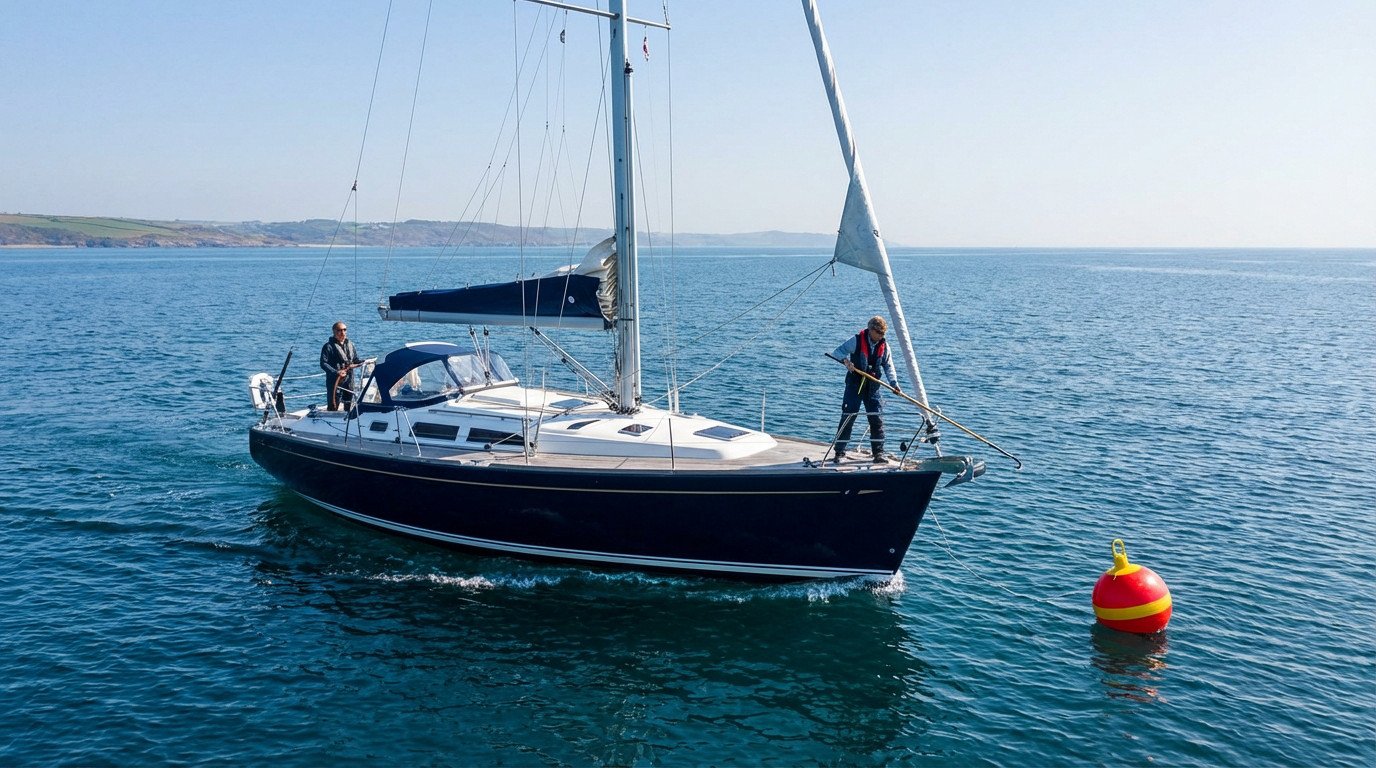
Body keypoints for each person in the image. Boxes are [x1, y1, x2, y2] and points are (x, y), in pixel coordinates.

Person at [832, 315, 901, 463]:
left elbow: (889, 366)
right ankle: (839, 452)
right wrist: (846, 361)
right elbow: (837, 352)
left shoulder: (885, 346)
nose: (881, 336)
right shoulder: (856, 340)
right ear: (871, 330)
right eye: (879, 333)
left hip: (872, 387)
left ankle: (878, 453)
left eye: (883, 333)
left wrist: (894, 383)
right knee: (848, 417)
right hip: (854, 385)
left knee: (876, 419)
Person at [320, 321, 363, 411]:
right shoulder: (328, 347)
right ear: (334, 331)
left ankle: (347, 419)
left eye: (344, 330)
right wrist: (336, 372)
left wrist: (363, 362)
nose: (342, 332)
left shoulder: (350, 344)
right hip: (335, 379)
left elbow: (355, 359)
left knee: (348, 400)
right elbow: (323, 363)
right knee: (334, 403)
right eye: (339, 330)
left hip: (349, 378)